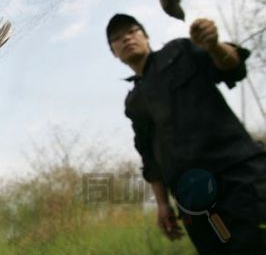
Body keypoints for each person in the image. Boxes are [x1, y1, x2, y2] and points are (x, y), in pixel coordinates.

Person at [106, 13, 266, 254]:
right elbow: (149, 157)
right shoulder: (134, 102)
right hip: (197, 203)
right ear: (114, 53)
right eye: (117, 38)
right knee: (222, 247)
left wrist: (214, 46)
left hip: (238, 179)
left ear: (146, 36)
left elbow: (233, 68)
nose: (126, 38)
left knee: (255, 243)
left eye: (132, 31)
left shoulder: (179, 51)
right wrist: (162, 204)